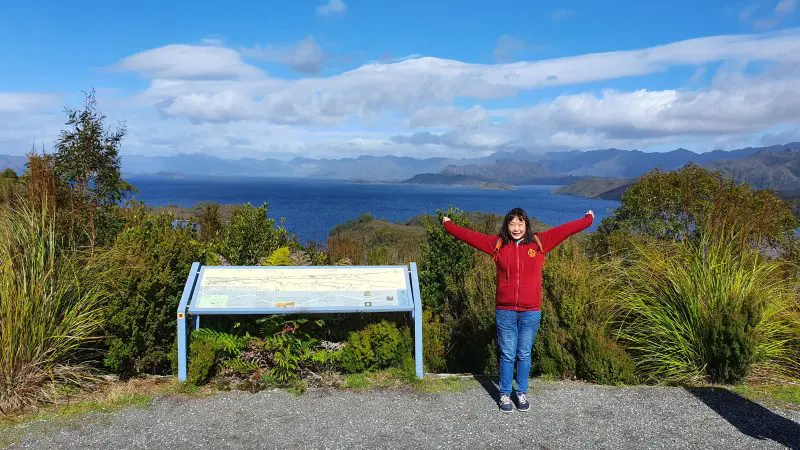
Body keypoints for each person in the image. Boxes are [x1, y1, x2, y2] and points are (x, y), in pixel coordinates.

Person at [442, 208, 594, 413]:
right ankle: (504, 394)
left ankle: (520, 392)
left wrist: (588, 220)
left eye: (520, 224)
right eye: (512, 224)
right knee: (507, 354)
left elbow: (566, 230)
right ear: (506, 226)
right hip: (505, 311)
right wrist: (448, 225)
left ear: (526, 225)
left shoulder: (540, 242)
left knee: (523, 353)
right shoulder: (497, 244)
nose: (516, 228)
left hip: (531, 311)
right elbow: (470, 236)